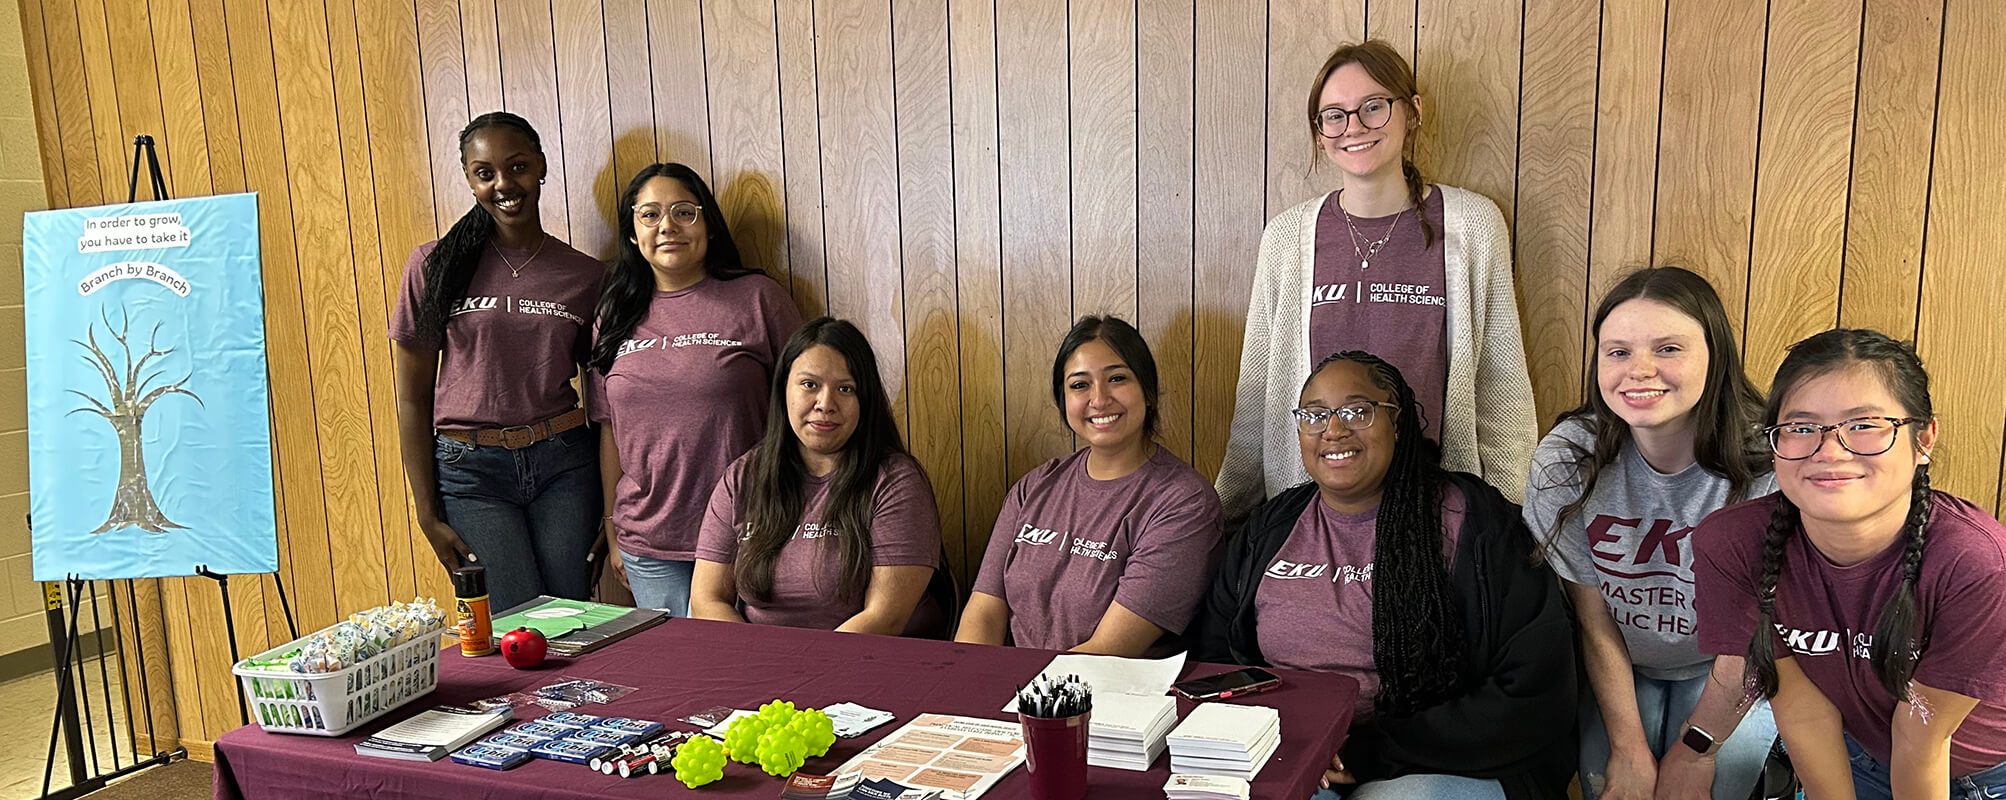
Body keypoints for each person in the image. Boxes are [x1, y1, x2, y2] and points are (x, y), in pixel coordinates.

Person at [1195, 351, 1575, 800]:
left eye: (1357, 411)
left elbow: (1534, 687)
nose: (1333, 430)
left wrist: (1368, 752)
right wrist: (1276, 743)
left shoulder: (1475, 524)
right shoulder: (1270, 528)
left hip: (1441, 762)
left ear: (1397, 422)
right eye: (1314, 415)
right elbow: (1217, 658)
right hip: (1289, 751)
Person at [1215, 39, 1535, 524]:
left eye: (1373, 106)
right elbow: (1259, 397)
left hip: (1436, 512)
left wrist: (1513, 520)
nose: (1354, 127)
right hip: (1313, 513)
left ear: (1413, 111)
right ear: (1320, 132)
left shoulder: (1473, 224)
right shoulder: (1286, 237)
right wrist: (1228, 515)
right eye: (1335, 115)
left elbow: (1501, 392)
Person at [1695, 329, 2006, 800]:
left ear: (1923, 439)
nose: (1831, 451)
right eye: (1802, 428)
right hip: (1859, 756)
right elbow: (1803, 711)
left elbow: (1921, 738)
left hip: (1984, 774)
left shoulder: (1976, 563)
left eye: (1863, 425)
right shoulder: (1734, 545)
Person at [1524, 267, 1777, 799]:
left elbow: (1755, 631)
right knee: (1609, 783)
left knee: (1717, 785)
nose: (1639, 370)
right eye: (1618, 352)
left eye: (1668, 349)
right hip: (1621, 663)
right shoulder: (1567, 458)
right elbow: (1593, 618)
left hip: (1730, 662)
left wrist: (1698, 749)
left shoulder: (1769, 463)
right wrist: (1627, 747)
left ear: (1715, 355)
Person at [388, 111, 604, 613]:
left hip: (565, 466)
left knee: (573, 617)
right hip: (471, 472)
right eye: (485, 173)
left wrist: (612, 511)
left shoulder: (586, 276)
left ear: (542, 166)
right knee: (517, 622)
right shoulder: (433, 265)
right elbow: (412, 398)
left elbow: (606, 399)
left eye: (518, 166)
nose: (504, 184)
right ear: (469, 180)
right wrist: (426, 512)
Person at [588, 163, 802, 616]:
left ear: (708, 224)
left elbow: (800, 409)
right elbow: (609, 429)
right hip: (650, 541)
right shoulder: (614, 314)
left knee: (748, 658)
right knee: (679, 658)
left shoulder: (758, 298)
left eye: (684, 212)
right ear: (632, 234)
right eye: (649, 215)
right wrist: (611, 528)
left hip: (750, 531)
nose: (667, 226)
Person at [955, 316, 1222, 655]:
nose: (1099, 399)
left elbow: (1109, 650)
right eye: (1080, 385)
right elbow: (983, 611)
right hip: (1019, 683)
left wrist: (1024, 687)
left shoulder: (1185, 503)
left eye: (1117, 379)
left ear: (1148, 391)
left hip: (1110, 686)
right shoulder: (1034, 486)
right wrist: (968, 678)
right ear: (1063, 400)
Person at [690, 318, 944, 635]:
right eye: (809, 385)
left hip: (866, 657)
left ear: (865, 400)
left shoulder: (896, 481)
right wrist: (756, 657)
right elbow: (707, 599)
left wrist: (800, 664)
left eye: (845, 389)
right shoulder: (742, 478)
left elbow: (885, 617)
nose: (825, 404)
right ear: (783, 389)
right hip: (758, 655)